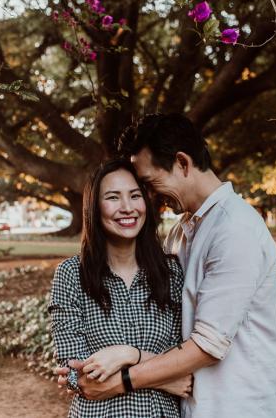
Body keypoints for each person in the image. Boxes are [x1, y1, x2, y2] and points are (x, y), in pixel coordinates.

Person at [58, 113, 276, 418]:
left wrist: (124, 373)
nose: (149, 197)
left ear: (182, 163)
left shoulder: (235, 229)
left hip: (234, 405)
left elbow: (207, 344)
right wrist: (157, 374)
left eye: (149, 183)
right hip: (190, 407)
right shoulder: (180, 234)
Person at [49, 158, 193, 418]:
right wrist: (163, 379)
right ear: (94, 207)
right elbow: (75, 374)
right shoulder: (71, 275)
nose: (127, 208)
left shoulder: (170, 272)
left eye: (135, 195)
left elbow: (184, 364)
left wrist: (128, 355)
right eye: (113, 198)